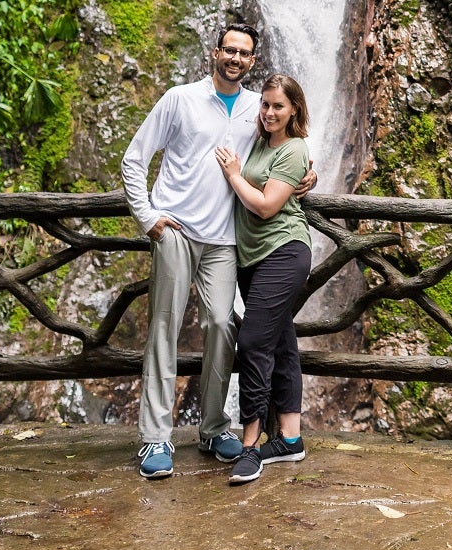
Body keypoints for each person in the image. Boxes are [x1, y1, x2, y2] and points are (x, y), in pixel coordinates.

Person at [121, 26, 316, 479]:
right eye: (229, 49)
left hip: (226, 238)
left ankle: (213, 427)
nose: (235, 57)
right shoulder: (180, 99)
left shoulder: (258, 107)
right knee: (164, 328)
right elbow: (134, 157)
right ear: (215, 52)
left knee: (222, 324)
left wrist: (309, 175)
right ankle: (155, 437)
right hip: (176, 229)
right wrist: (147, 217)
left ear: (252, 60)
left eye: (244, 52)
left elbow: (284, 149)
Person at [214, 72, 315, 485]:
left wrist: (234, 174)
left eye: (279, 106)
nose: (270, 112)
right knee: (280, 341)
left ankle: (251, 444)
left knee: (253, 341)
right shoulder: (259, 140)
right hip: (252, 257)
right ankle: (290, 438)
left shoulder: (293, 148)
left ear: (294, 110)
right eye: (266, 104)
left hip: (284, 250)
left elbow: (268, 206)